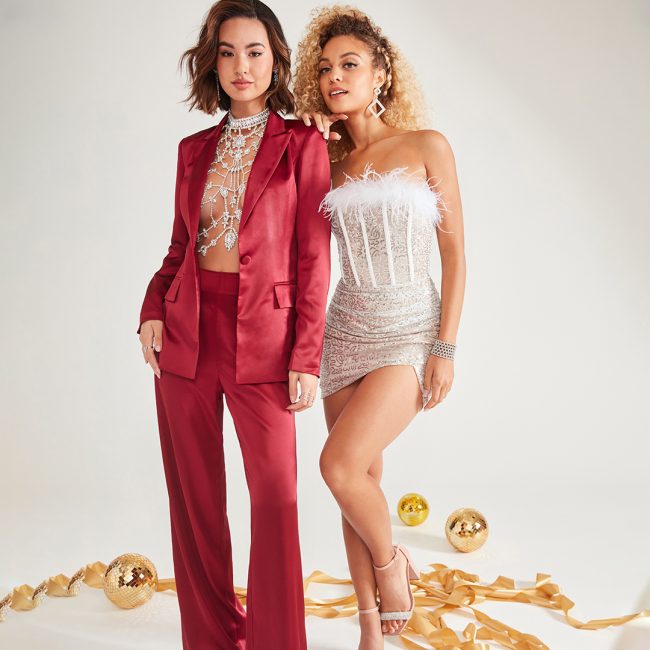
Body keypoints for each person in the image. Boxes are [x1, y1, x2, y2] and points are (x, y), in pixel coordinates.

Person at [137, 1, 331, 648]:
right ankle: (213, 638)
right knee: (195, 502)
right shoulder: (192, 150)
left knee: (275, 499)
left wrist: (306, 355)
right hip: (187, 334)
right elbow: (178, 248)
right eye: (227, 53)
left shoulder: (302, 145)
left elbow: (314, 257)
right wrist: (151, 309)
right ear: (212, 63)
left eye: (254, 52)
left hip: (267, 340)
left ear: (275, 60)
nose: (241, 66)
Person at [294, 6, 466, 648]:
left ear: (381, 73)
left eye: (350, 64)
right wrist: (304, 138)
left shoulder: (426, 146)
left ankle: (392, 568)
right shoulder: (325, 161)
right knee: (359, 480)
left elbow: (455, 253)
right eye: (325, 68)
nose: (335, 77)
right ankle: (371, 625)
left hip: (409, 331)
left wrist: (444, 346)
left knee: (337, 466)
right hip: (345, 331)